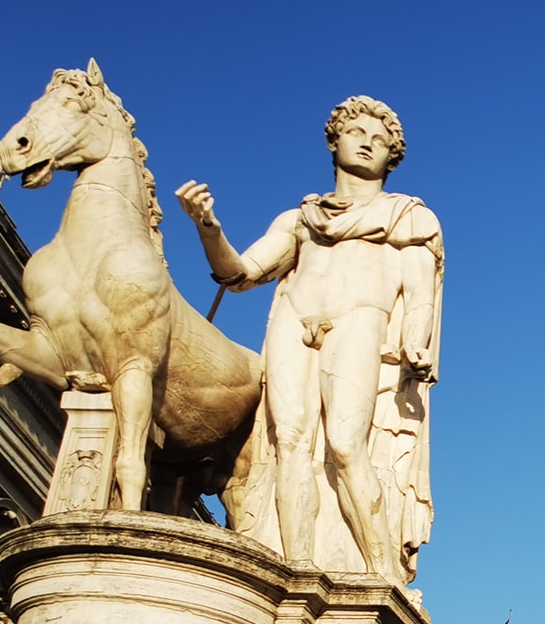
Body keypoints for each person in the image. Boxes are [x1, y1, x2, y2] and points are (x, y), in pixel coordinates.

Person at [176, 97, 443, 585]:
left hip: (360, 319)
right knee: (289, 441)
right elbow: (239, 274)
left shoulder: (408, 217)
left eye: (380, 140)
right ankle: (292, 569)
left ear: (392, 157)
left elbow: (420, 290)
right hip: (295, 320)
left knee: (345, 443)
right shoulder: (300, 219)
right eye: (357, 132)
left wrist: (417, 340)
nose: (367, 142)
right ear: (334, 140)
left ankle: (381, 572)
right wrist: (207, 227)